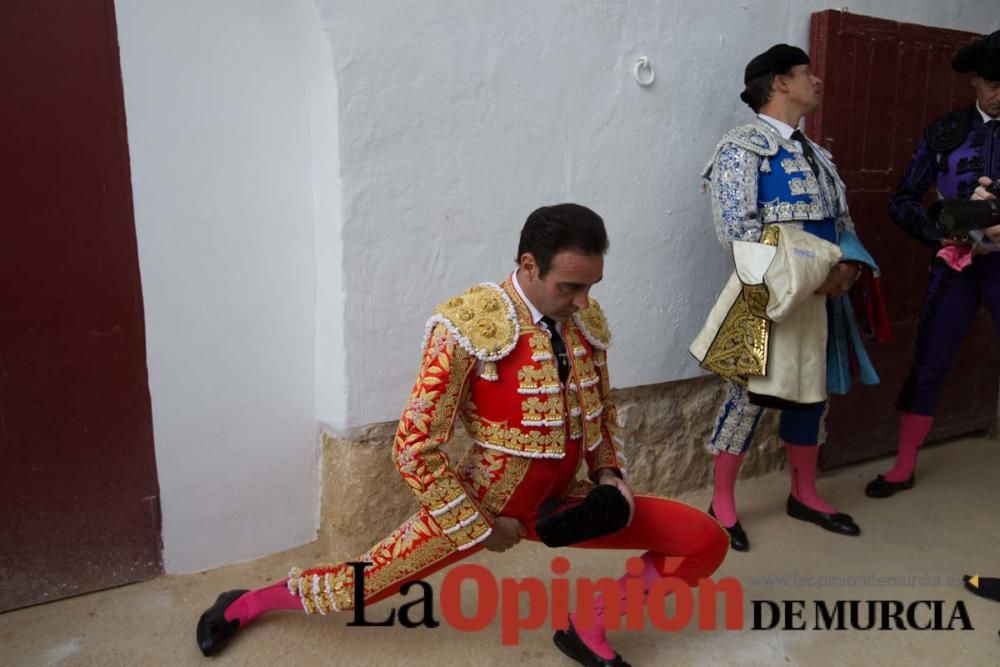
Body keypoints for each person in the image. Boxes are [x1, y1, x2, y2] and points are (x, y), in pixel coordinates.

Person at [196, 204, 729, 666]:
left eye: (591, 286)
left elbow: (602, 414)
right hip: (482, 503)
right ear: (528, 265)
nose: (584, 302)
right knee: (360, 587)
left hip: (567, 506)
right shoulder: (467, 326)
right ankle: (245, 604)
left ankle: (587, 626)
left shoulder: (584, 322)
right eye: (571, 287)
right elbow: (414, 447)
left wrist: (611, 477)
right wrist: (480, 526)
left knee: (703, 541)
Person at [695, 44, 880, 552]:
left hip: (823, 294)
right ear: (780, 82)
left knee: (809, 396)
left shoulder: (817, 154)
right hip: (765, 291)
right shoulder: (740, 147)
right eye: (806, 73)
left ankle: (804, 494)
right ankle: (723, 504)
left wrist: (847, 269)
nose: (816, 81)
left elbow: (841, 224)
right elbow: (737, 232)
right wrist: (803, 279)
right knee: (745, 399)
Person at [865, 30, 1000, 499]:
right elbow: (902, 199)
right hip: (957, 262)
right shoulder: (945, 133)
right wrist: (941, 231)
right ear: (975, 84)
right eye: (992, 83)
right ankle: (903, 467)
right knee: (929, 360)